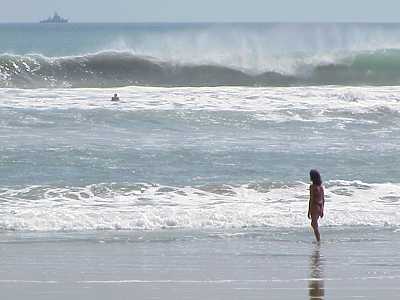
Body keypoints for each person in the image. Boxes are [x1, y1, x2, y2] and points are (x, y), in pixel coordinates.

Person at [308, 169, 324, 242]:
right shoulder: (320, 187)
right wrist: (322, 210)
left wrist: (309, 211)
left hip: (314, 206)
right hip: (319, 206)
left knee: (314, 224)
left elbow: (311, 199)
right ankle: (318, 240)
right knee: (314, 224)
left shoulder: (312, 187)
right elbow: (323, 199)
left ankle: (318, 240)